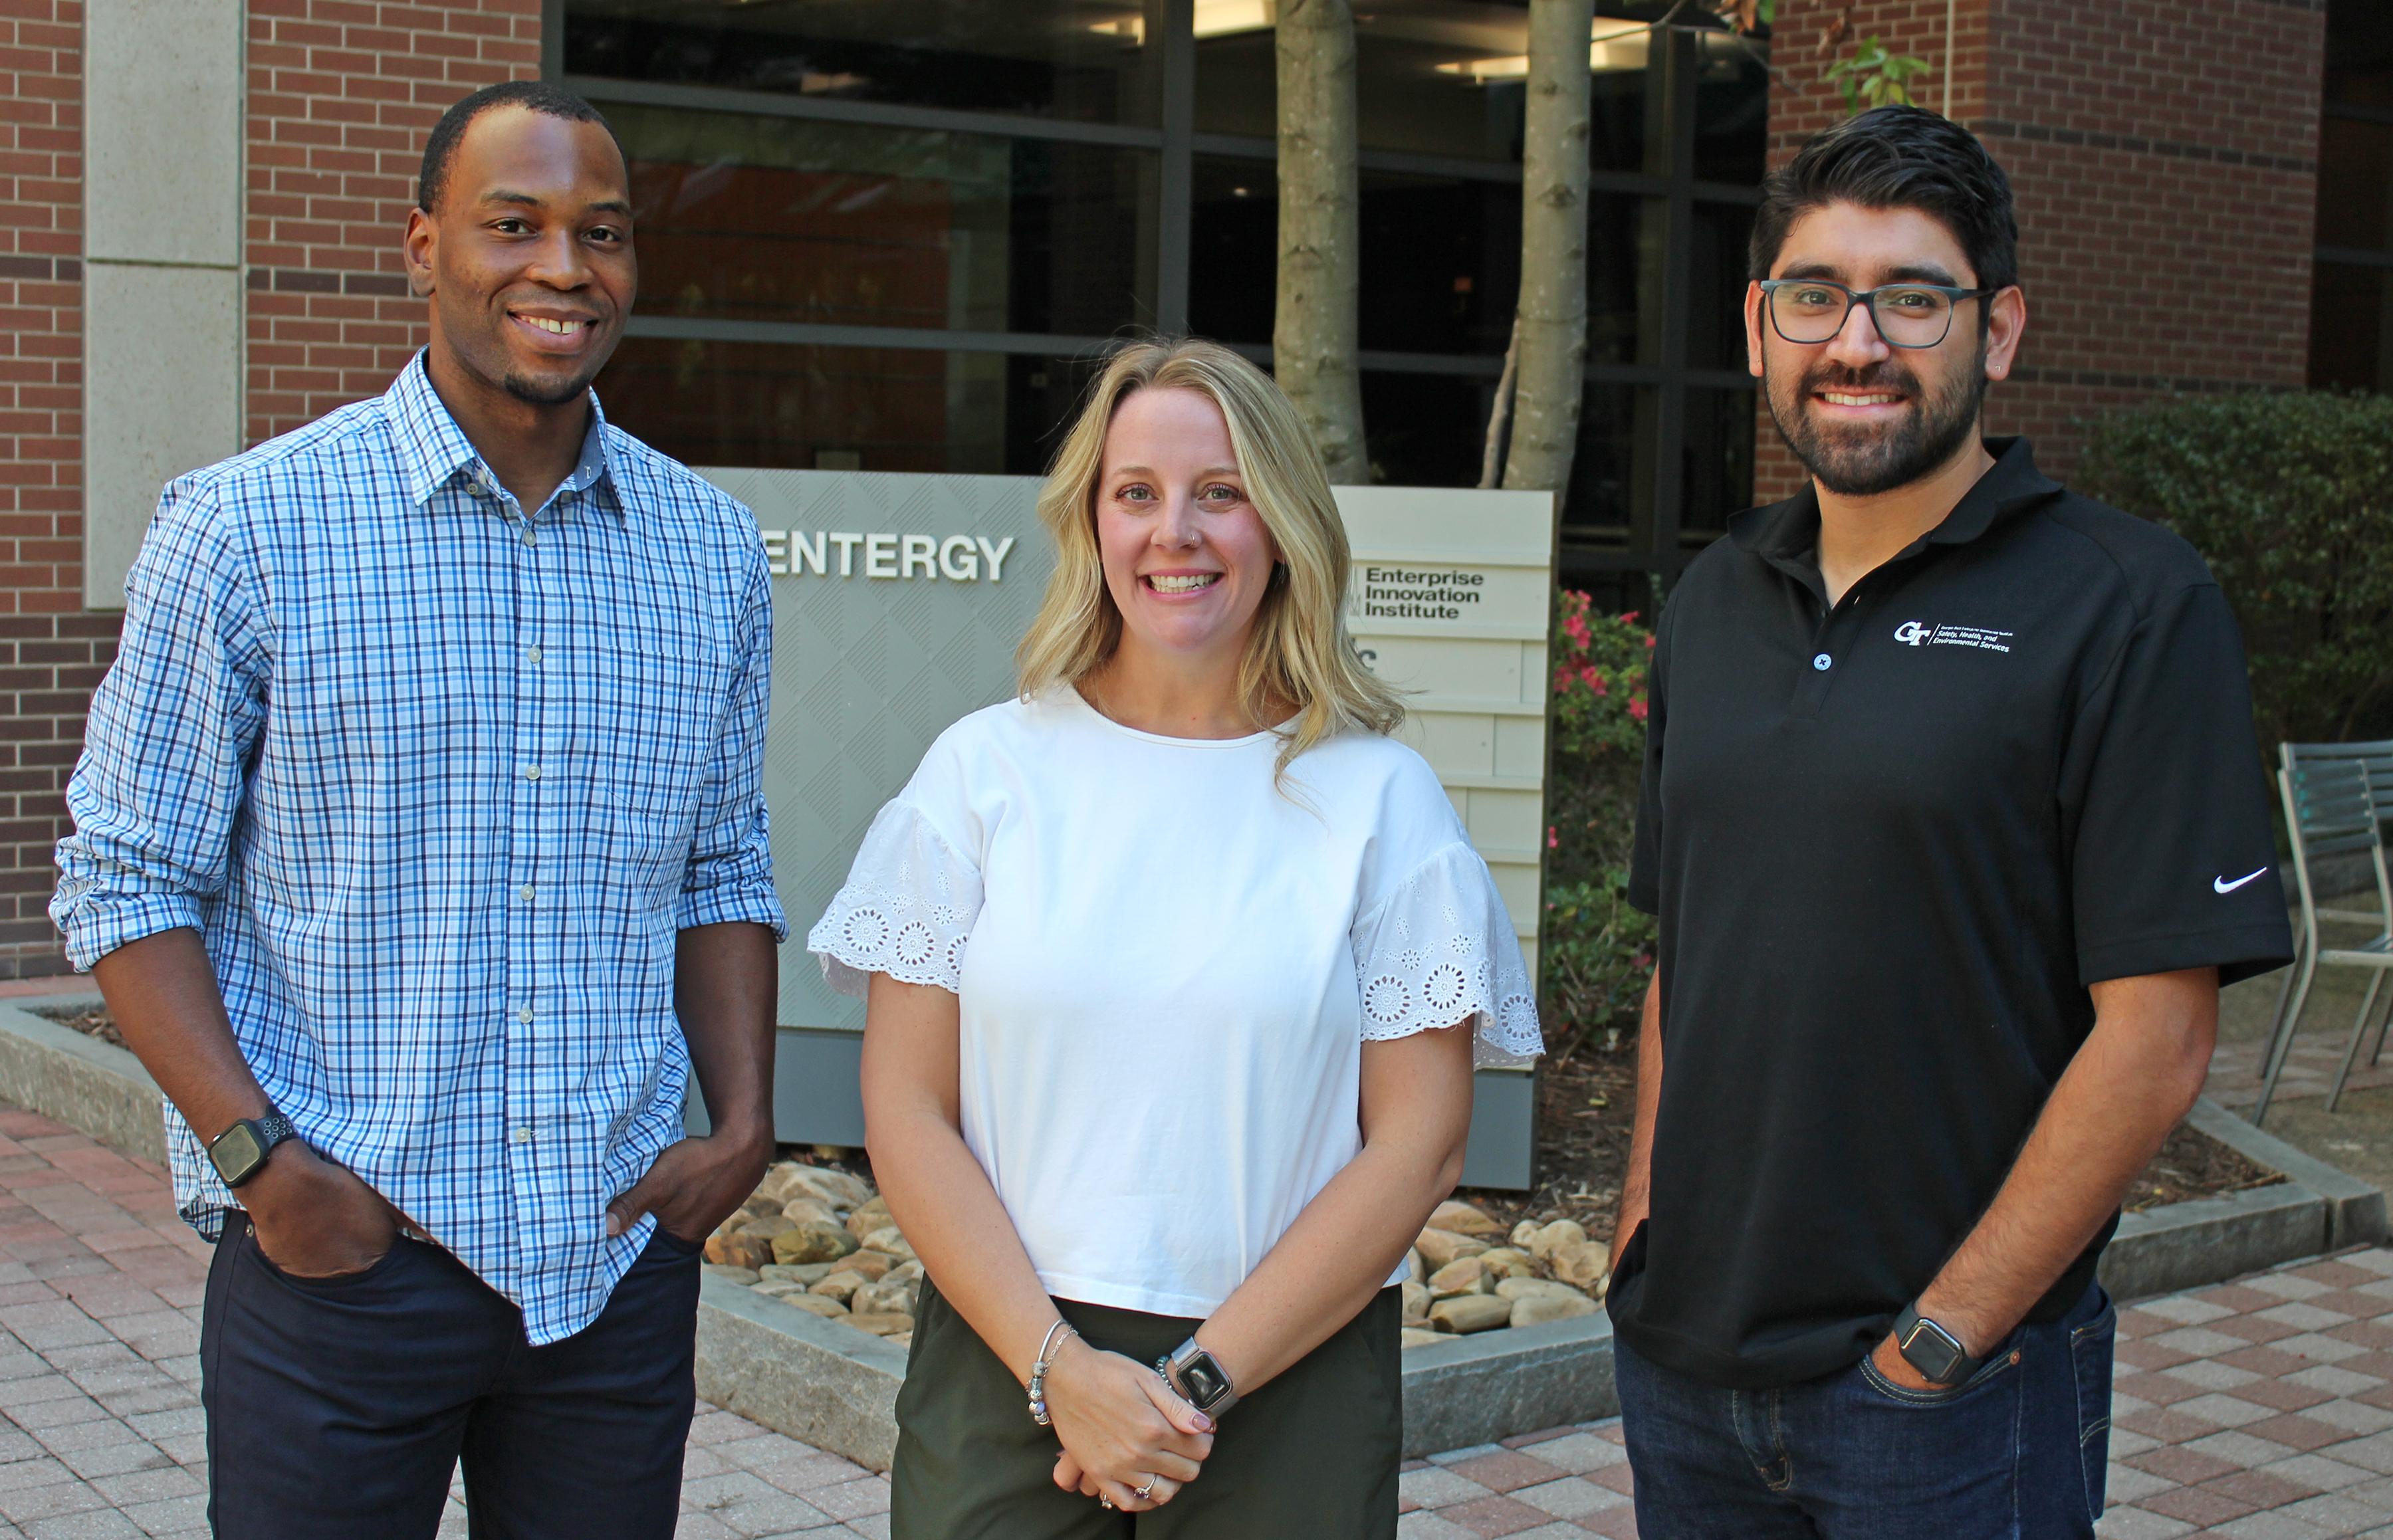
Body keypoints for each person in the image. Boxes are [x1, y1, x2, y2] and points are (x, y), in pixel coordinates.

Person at [49, 81, 786, 1538]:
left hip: (613, 1265)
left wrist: (747, 1123)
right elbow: (125, 879)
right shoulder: (247, 528)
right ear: (422, 247)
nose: (563, 269)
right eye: (512, 226)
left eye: (604, 233)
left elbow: (722, 857)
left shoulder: (710, 550)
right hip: (343, 1254)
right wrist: (263, 1165)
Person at [1607, 104, 2293, 1537]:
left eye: (1913, 296)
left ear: (1998, 330)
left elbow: (2158, 1035)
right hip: (1686, 1372)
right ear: (1757, 329)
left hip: (1945, 1398)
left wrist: (1940, 1341)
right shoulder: (1715, 599)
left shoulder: (2130, 603)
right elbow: (1691, 951)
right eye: (1814, 295)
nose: (1856, 341)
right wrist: (1641, 1239)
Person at [807, 336, 1541, 1536]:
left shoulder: (1381, 799)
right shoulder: (982, 772)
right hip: (1007, 1362)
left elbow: (1418, 1144)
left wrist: (1187, 1391)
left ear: (1286, 522)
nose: (1175, 532)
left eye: (1223, 491)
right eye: (1136, 493)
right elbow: (904, 1106)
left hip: (1288, 1375)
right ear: (1090, 522)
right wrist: (1064, 1369)